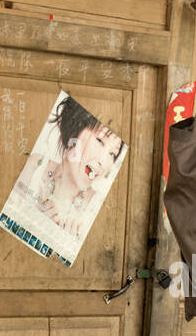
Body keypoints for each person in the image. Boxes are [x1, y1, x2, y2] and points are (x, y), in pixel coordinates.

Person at [24, 95, 124, 237]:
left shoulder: (97, 211)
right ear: (73, 131)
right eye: (100, 141)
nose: (104, 161)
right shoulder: (33, 169)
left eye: (113, 154)